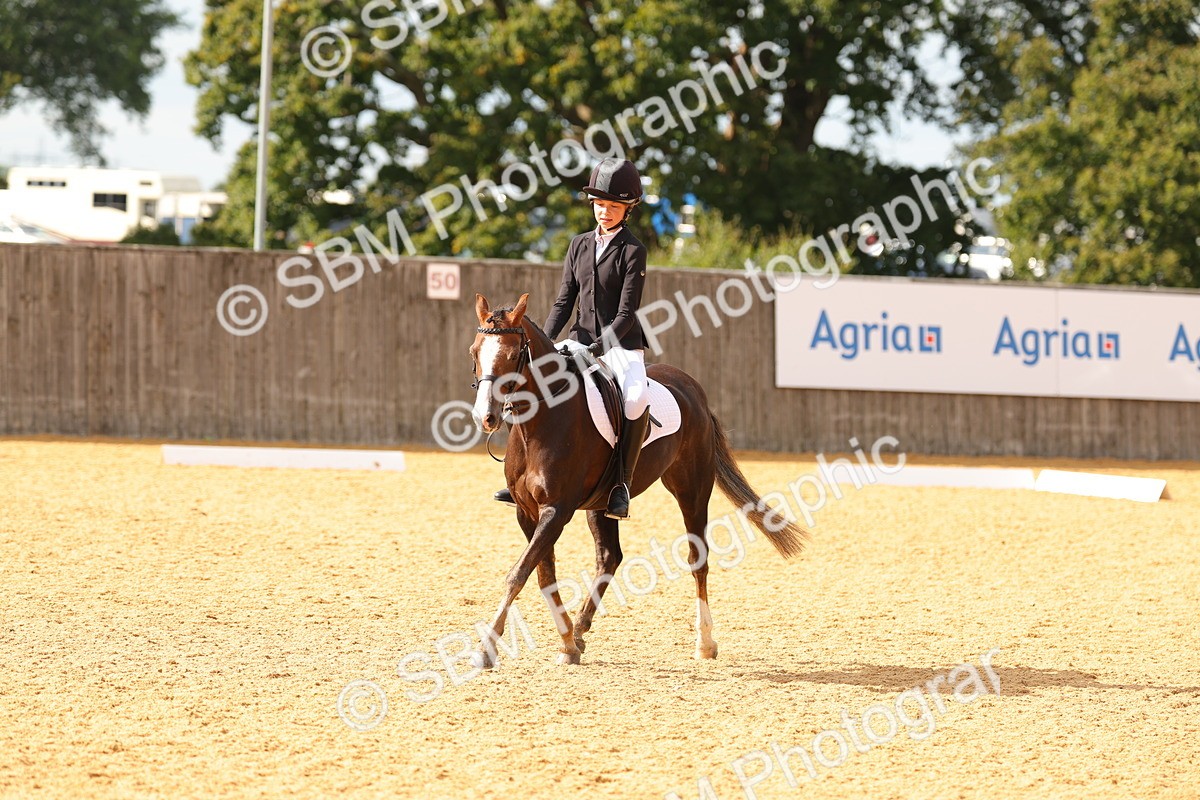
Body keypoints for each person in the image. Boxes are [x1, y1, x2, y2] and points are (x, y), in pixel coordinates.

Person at [494, 157, 651, 520]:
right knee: (531, 382)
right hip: (577, 339)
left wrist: (597, 349)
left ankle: (621, 485)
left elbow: (627, 314)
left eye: (613, 206)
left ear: (627, 209)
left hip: (619, 345)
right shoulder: (578, 244)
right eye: (600, 204)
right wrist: (543, 344)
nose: (605, 212)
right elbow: (564, 300)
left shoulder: (632, 250)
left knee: (635, 397)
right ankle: (519, 474)